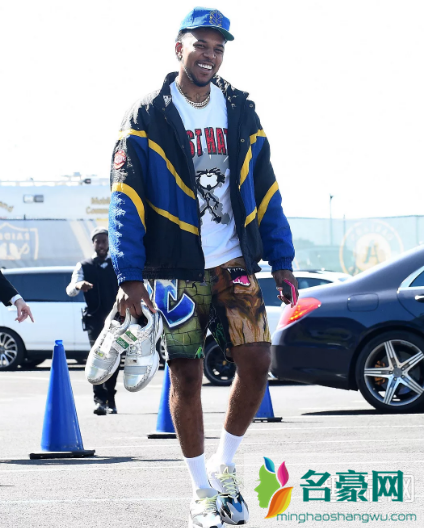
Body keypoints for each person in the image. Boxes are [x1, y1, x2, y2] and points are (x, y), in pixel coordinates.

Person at [108, 7, 298, 527]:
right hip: (174, 266)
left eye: (218, 48)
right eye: (201, 46)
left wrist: (281, 259)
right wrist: (129, 275)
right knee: (187, 376)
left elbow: (267, 187)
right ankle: (200, 491)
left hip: (234, 260)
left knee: (257, 360)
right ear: (179, 49)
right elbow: (124, 197)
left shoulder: (240, 110)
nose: (210, 56)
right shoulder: (147, 114)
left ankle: (224, 464)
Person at [66, 228, 119, 415]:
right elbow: (70, 290)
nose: (102, 245)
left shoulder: (117, 264)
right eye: (98, 241)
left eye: (104, 241)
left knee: (113, 357)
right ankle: (99, 400)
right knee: (97, 358)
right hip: (94, 320)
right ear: (93, 243)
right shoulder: (84, 266)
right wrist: (78, 285)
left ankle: (111, 398)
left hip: (116, 319)